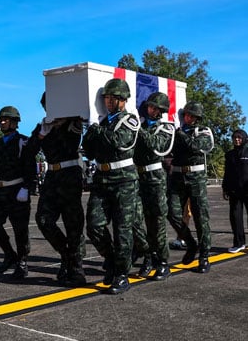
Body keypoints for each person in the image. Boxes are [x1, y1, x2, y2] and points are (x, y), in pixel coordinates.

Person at [81, 78, 140, 294]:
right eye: (106, 97)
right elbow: (87, 151)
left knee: (122, 230)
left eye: (111, 98)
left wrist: (97, 129)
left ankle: (121, 274)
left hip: (124, 179)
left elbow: (118, 141)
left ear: (122, 100)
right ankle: (113, 261)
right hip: (102, 178)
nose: (107, 101)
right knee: (94, 225)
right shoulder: (102, 122)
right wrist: (89, 131)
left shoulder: (130, 120)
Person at [27, 93, 87, 286]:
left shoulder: (73, 122)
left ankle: (76, 268)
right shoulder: (42, 126)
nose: (49, 110)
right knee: (43, 219)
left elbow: (71, 144)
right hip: (52, 176)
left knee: (73, 223)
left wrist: (57, 126)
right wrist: (41, 134)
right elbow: (29, 151)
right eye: (46, 106)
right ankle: (67, 256)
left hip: (70, 173)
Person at [0, 106, 36, 279]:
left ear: (14, 122)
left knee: (20, 229)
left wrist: (27, 188)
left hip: (17, 190)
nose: (2, 123)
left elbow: (30, 167)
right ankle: (9, 254)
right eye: (1, 120)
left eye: (5, 120)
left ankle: (22, 261)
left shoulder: (23, 142)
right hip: (0, 191)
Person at [167, 101, 214, 273]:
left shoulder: (203, 131)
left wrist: (180, 134)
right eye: (186, 114)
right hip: (178, 176)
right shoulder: (176, 132)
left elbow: (197, 147)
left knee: (201, 217)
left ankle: (204, 255)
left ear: (197, 118)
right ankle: (191, 243)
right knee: (171, 213)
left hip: (196, 177)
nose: (188, 117)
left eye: (192, 115)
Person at [132, 92, 175, 280]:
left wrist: (138, 129)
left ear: (162, 111)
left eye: (156, 108)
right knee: (135, 219)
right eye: (150, 106)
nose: (151, 110)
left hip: (155, 177)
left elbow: (155, 144)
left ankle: (163, 263)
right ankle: (147, 255)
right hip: (137, 176)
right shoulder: (139, 125)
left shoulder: (166, 128)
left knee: (157, 222)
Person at [222, 129, 248, 253]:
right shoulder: (229, 154)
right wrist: (225, 188)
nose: (237, 139)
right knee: (235, 218)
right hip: (234, 191)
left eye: (239, 137)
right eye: (235, 137)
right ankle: (239, 243)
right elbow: (227, 173)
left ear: (244, 139)